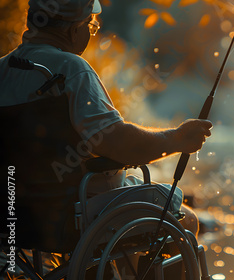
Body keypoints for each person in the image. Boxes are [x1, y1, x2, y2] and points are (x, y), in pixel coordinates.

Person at [0, 0, 211, 240]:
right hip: (71, 215)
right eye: (91, 26)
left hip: (13, 214)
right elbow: (118, 143)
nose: (91, 32)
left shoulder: (2, 70)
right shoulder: (72, 70)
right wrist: (176, 139)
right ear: (73, 29)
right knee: (189, 220)